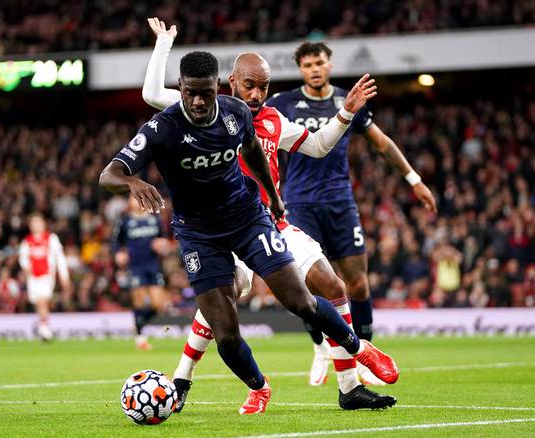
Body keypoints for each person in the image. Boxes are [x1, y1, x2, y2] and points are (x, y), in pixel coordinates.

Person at [100, 49, 399, 415]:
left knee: (307, 297)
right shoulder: (168, 122)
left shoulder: (245, 114)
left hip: (250, 218)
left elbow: (261, 151)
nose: (198, 101)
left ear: (217, 89)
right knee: (224, 330)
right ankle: (247, 384)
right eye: (190, 92)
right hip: (199, 233)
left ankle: (356, 358)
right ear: (184, 88)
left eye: (263, 87)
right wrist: (131, 181)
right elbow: (112, 167)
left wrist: (273, 197)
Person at [267, 42, 437, 384]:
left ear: (329, 64)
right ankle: (320, 349)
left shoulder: (349, 99)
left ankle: (365, 355)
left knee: (357, 283)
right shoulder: (281, 104)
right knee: (306, 284)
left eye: (319, 62)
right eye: (308, 64)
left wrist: (413, 179)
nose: (314, 69)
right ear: (300, 69)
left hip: (340, 202)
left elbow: (382, 143)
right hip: (298, 203)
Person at [112, 195, 171, 350]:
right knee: (138, 302)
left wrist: (162, 245)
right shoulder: (125, 221)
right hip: (135, 266)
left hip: (153, 265)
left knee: (158, 304)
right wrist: (119, 254)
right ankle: (140, 337)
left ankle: (139, 324)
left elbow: (164, 239)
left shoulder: (155, 220)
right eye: (133, 199)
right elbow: (116, 243)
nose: (136, 202)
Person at [18, 213, 70, 341]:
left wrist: (64, 275)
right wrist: (25, 267)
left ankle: (44, 328)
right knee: (39, 302)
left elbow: (60, 257)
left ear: (44, 224)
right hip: (32, 277)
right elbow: (23, 258)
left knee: (42, 300)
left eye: (38, 222)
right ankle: (44, 325)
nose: (36, 225)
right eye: (33, 223)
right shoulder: (27, 241)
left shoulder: (51, 238)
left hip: (47, 275)